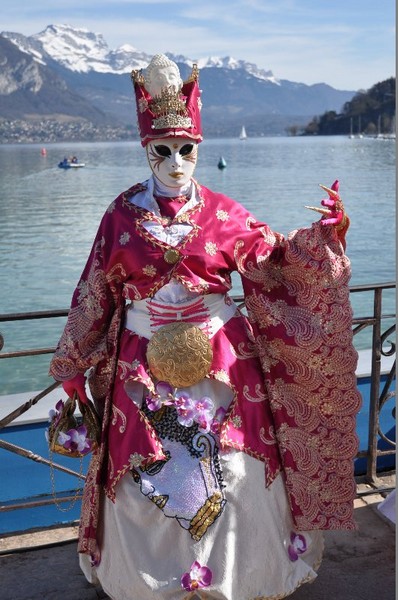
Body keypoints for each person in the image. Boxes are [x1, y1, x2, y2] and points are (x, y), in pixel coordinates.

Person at [49, 53, 361, 600]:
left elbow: (276, 259)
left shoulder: (224, 211)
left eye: (186, 150)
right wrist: (73, 363)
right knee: (146, 476)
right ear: (146, 151)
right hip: (141, 367)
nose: (175, 162)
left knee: (236, 470)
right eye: (162, 151)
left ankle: (241, 577)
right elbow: (95, 289)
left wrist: (326, 237)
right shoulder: (120, 216)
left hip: (223, 364)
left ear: (199, 150)